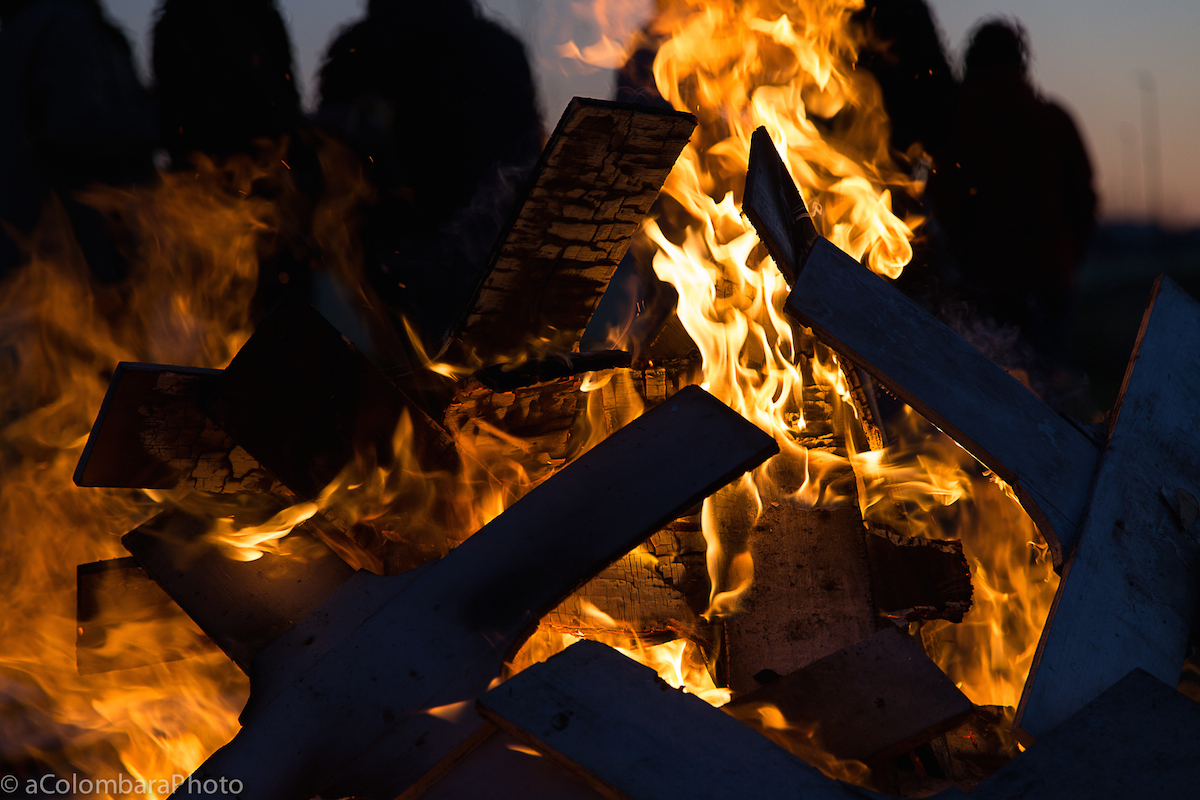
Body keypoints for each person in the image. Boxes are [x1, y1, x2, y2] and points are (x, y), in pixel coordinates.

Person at [316, 0, 544, 350]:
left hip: (434, 252)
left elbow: (527, 153)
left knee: (431, 362)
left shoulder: (361, 48)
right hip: (410, 250)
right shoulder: (362, 51)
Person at [933, 19, 1096, 360]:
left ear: (972, 61)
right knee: (1045, 383)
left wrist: (964, 260)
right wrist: (1064, 259)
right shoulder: (1054, 120)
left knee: (982, 382)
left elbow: (944, 200)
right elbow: (1084, 202)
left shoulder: (958, 124)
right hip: (1049, 278)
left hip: (984, 281)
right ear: (1020, 61)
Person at [0, 0, 156, 283]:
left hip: (27, 261)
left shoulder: (18, 32)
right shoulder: (66, 27)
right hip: (75, 256)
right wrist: (162, 117)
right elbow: (80, 129)